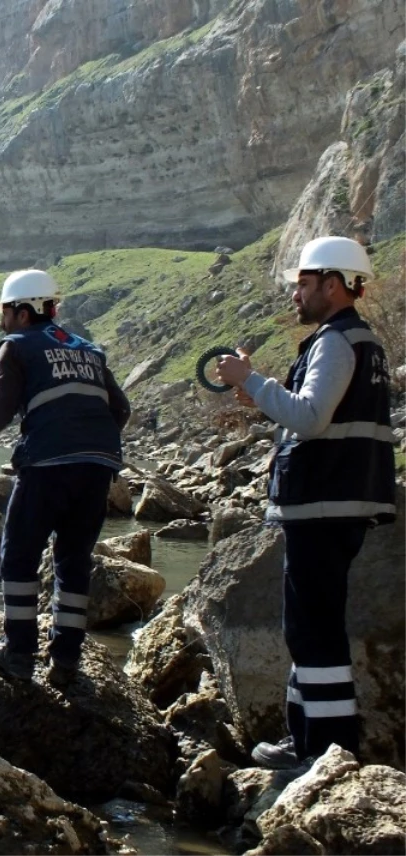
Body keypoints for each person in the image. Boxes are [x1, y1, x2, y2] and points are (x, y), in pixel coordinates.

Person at [216, 236, 397, 770]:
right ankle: (305, 740)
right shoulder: (360, 342)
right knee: (308, 625)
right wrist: (261, 394)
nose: (296, 293)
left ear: (334, 284)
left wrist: (248, 377)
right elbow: (316, 410)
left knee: (313, 629)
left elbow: (311, 417)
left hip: (324, 502)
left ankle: (325, 752)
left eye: (304, 283)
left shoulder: (338, 341)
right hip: (341, 500)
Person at [0, 269, 130, 685]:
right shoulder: (89, 350)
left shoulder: (16, 347)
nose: (2, 321)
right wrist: (89, 444)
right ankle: (65, 660)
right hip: (98, 466)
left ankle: (19, 654)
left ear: (24, 313)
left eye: (6, 312)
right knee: (73, 559)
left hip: (48, 465)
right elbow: (121, 410)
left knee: (19, 554)